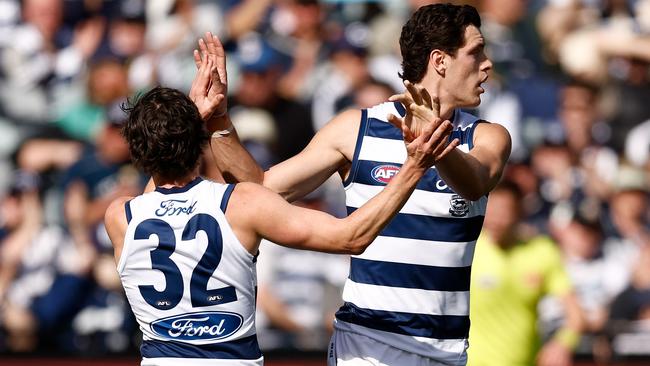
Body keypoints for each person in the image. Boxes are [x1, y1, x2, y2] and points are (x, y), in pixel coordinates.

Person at [103, 40, 456, 365]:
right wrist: (413, 168)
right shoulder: (240, 204)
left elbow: (158, 182)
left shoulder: (120, 216)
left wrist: (190, 125)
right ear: (199, 143)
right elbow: (351, 237)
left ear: (136, 153)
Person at [204, 4, 511, 365]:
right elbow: (260, 190)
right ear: (440, 61)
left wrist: (433, 141)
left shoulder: (487, 137)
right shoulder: (356, 128)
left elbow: (474, 184)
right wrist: (219, 119)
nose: (488, 64)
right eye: (476, 52)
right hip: (366, 345)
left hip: (447, 350)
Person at [468, 180, 582, 366]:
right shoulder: (468, 248)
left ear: (519, 213)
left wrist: (563, 344)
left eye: (504, 212)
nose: (496, 219)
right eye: (492, 211)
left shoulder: (542, 252)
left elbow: (575, 315)